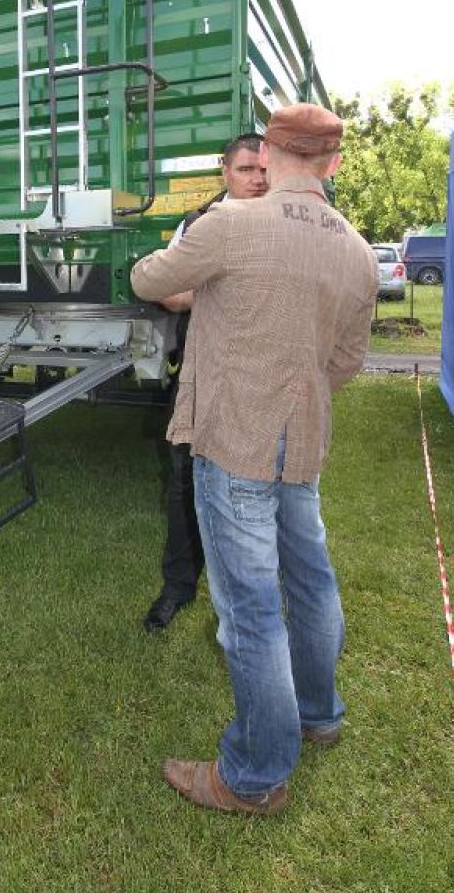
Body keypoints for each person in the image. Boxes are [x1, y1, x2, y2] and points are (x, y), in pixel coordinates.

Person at [130, 103, 378, 815]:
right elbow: (348, 360)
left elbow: (151, 280)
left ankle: (255, 774)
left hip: (233, 437)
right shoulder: (359, 252)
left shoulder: (231, 224)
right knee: (311, 580)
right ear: (332, 164)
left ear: (266, 155)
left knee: (251, 611)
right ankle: (320, 713)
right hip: (301, 440)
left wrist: (196, 279)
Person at [144, 135, 268, 631]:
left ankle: (250, 599)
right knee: (185, 482)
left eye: (263, 170)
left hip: (264, 379)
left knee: (257, 490)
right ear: (225, 172)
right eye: (245, 169)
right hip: (203, 376)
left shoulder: (282, 221)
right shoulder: (198, 224)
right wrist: (221, 286)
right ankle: (178, 586)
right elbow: (168, 291)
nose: (257, 180)